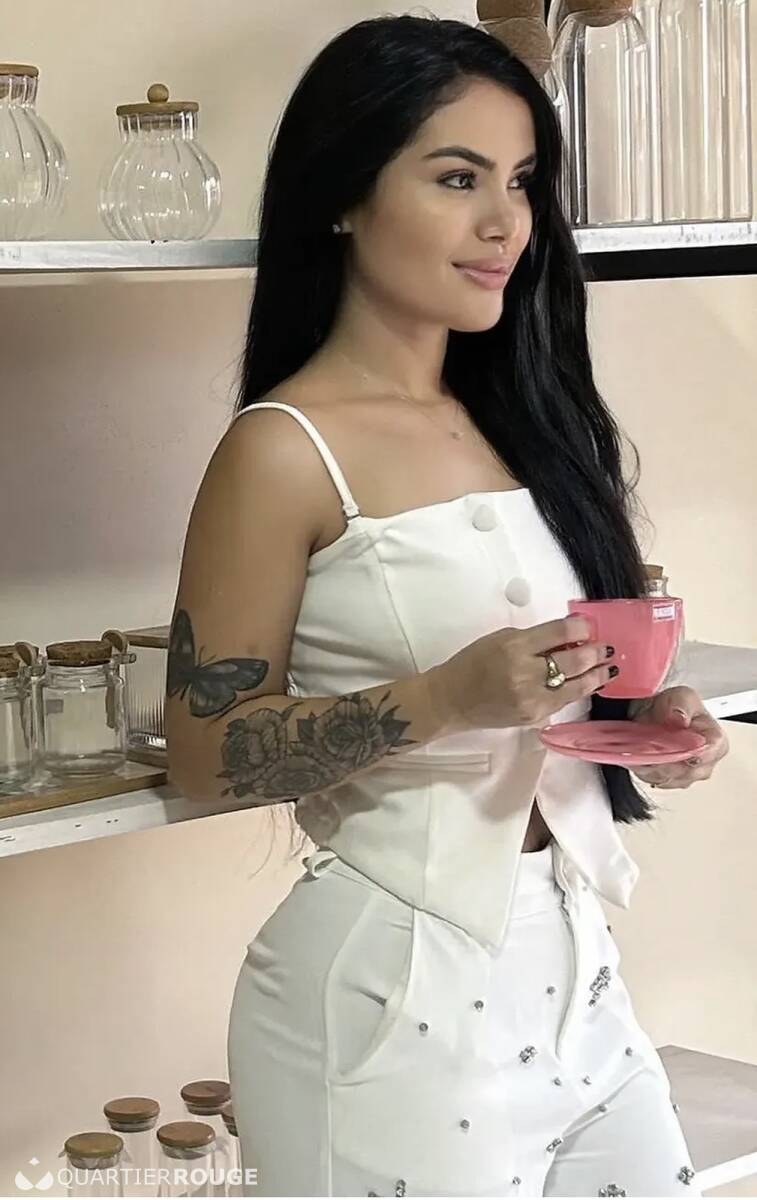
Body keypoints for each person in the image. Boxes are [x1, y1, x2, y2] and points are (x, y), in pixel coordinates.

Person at [165, 14, 728, 1197]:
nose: (505, 222)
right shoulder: (282, 451)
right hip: (386, 1000)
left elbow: (551, 685)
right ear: (343, 195)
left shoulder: (534, 422)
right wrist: (447, 698)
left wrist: (637, 717)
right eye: (457, 178)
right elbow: (206, 754)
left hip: (576, 973)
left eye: (520, 181)